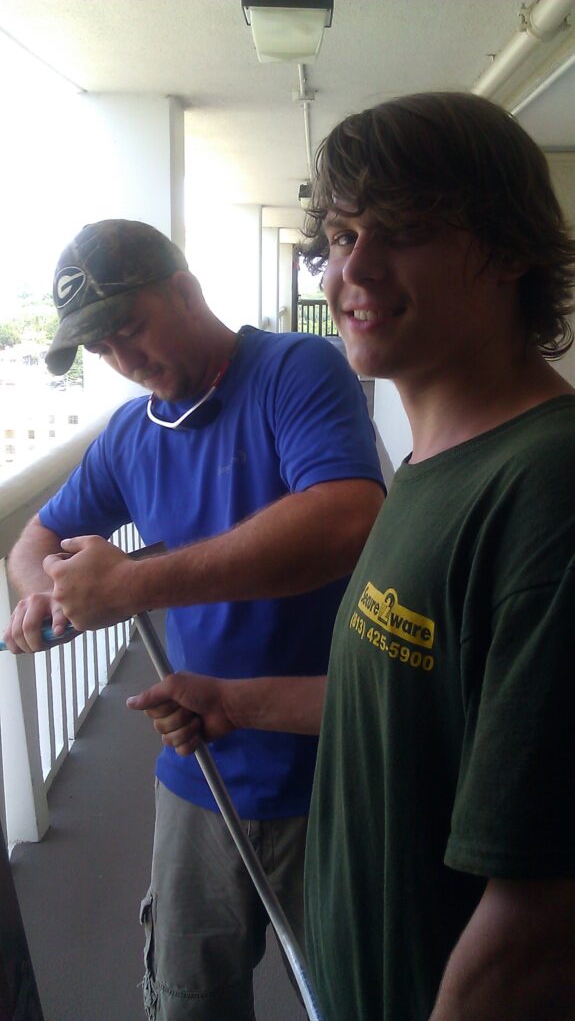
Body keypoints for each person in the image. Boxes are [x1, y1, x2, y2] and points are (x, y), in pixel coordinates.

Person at [128, 92, 575, 1020]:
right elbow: (420, 706)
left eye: (403, 230)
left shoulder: (546, 490)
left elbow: (538, 918)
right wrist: (235, 702)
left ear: (510, 251)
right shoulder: (429, 471)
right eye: (339, 234)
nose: (352, 269)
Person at [3, 217, 385, 1021]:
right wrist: (44, 592)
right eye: (100, 346)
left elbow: (346, 518)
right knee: (188, 998)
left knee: (355, 993)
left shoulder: (295, 369)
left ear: (185, 290)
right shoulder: (129, 435)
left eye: (128, 326)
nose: (122, 358)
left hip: (330, 766)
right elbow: (33, 540)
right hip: (195, 772)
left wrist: (132, 587)